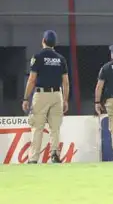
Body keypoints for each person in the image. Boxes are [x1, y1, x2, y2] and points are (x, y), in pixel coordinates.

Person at [23, 30, 69, 164]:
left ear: (43, 41)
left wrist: (26, 98)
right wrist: (65, 99)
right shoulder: (61, 59)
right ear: (55, 43)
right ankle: (54, 153)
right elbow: (65, 82)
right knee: (55, 127)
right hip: (57, 95)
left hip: (41, 94)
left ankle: (33, 158)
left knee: (37, 127)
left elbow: (32, 79)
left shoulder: (37, 57)